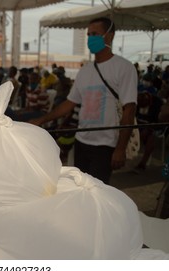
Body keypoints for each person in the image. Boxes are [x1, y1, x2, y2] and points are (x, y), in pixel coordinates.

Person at [30, 17, 138, 184]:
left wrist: (120, 148)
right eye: (88, 35)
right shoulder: (85, 71)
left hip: (105, 145)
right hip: (82, 141)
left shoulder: (124, 67)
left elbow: (129, 110)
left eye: (95, 34)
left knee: (96, 192)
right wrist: (42, 120)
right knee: (80, 188)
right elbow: (69, 103)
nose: (90, 39)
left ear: (109, 36)